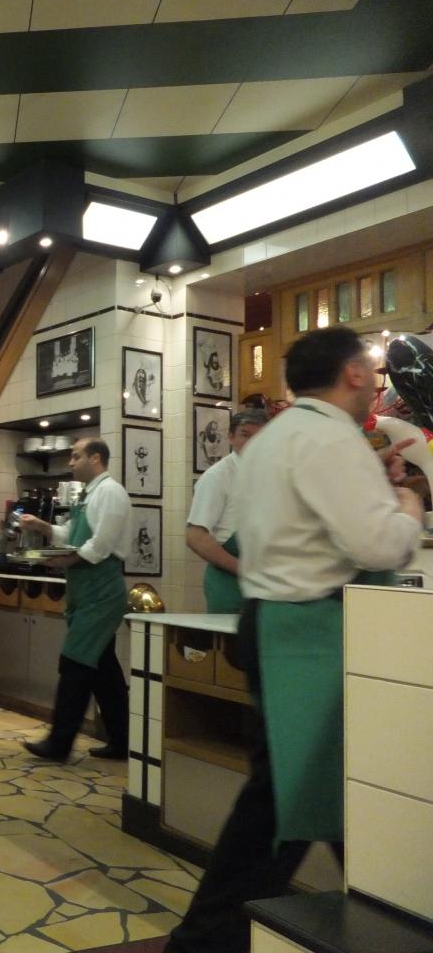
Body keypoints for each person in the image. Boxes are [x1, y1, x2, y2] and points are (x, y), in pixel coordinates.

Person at [165, 327, 422, 953]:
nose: (378, 381)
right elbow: (378, 545)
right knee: (295, 796)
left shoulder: (276, 439)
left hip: (272, 622)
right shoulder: (331, 439)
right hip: (309, 635)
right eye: (370, 369)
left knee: (303, 794)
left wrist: (376, 485)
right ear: (354, 373)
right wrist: (408, 504)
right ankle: (207, 940)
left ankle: (387, 905)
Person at [18, 438, 132, 762]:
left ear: (95, 459)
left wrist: (63, 561)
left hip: (102, 592)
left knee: (75, 662)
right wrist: (42, 526)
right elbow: (71, 534)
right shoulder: (88, 495)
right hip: (85, 590)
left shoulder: (111, 492)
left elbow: (101, 545)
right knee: (103, 669)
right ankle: (123, 741)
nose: (70, 462)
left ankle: (59, 743)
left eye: (75, 456)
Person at [186, 409, 268, 613]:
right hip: (228, 581)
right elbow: (195, 537)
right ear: (231, 436)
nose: (252, 443)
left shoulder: (272, 473)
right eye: (245, 435)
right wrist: (241, 568)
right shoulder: (217, 476)